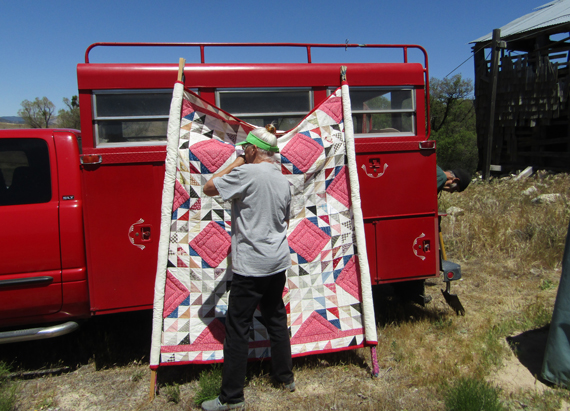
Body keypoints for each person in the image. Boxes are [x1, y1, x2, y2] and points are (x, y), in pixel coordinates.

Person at [201, 125, 294, 411]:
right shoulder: (283, 180)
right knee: (276, 318)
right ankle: (285, 378)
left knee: (238, 327)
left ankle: (231, 398)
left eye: (246, 149)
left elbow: (209, 187)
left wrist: (239, 160)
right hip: (277, 262)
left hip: (251, 266)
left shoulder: (246, 172)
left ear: (253, 150)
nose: (243, 153)